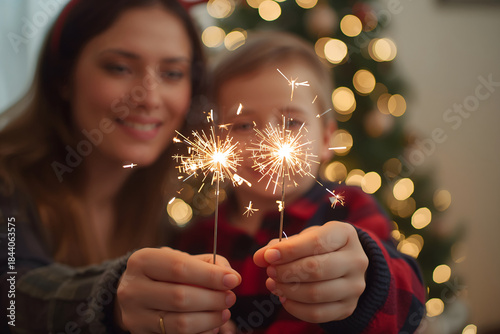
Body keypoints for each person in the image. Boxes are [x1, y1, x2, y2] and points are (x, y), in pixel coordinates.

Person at [0, 0, 242, 333]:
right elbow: (14, 296)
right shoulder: (6, 183)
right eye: (119, 67)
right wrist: (110, 299)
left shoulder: (173, 210)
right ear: (63, 77)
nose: (150, 98)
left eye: (172, 73)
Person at [175, 31, 426, 333]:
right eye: (243, 125)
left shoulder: (348, 211)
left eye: (291, 122)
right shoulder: (198, 240)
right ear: (218, 141)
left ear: (324, 139)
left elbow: (409, 298)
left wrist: (369, 281)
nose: (267, 141)